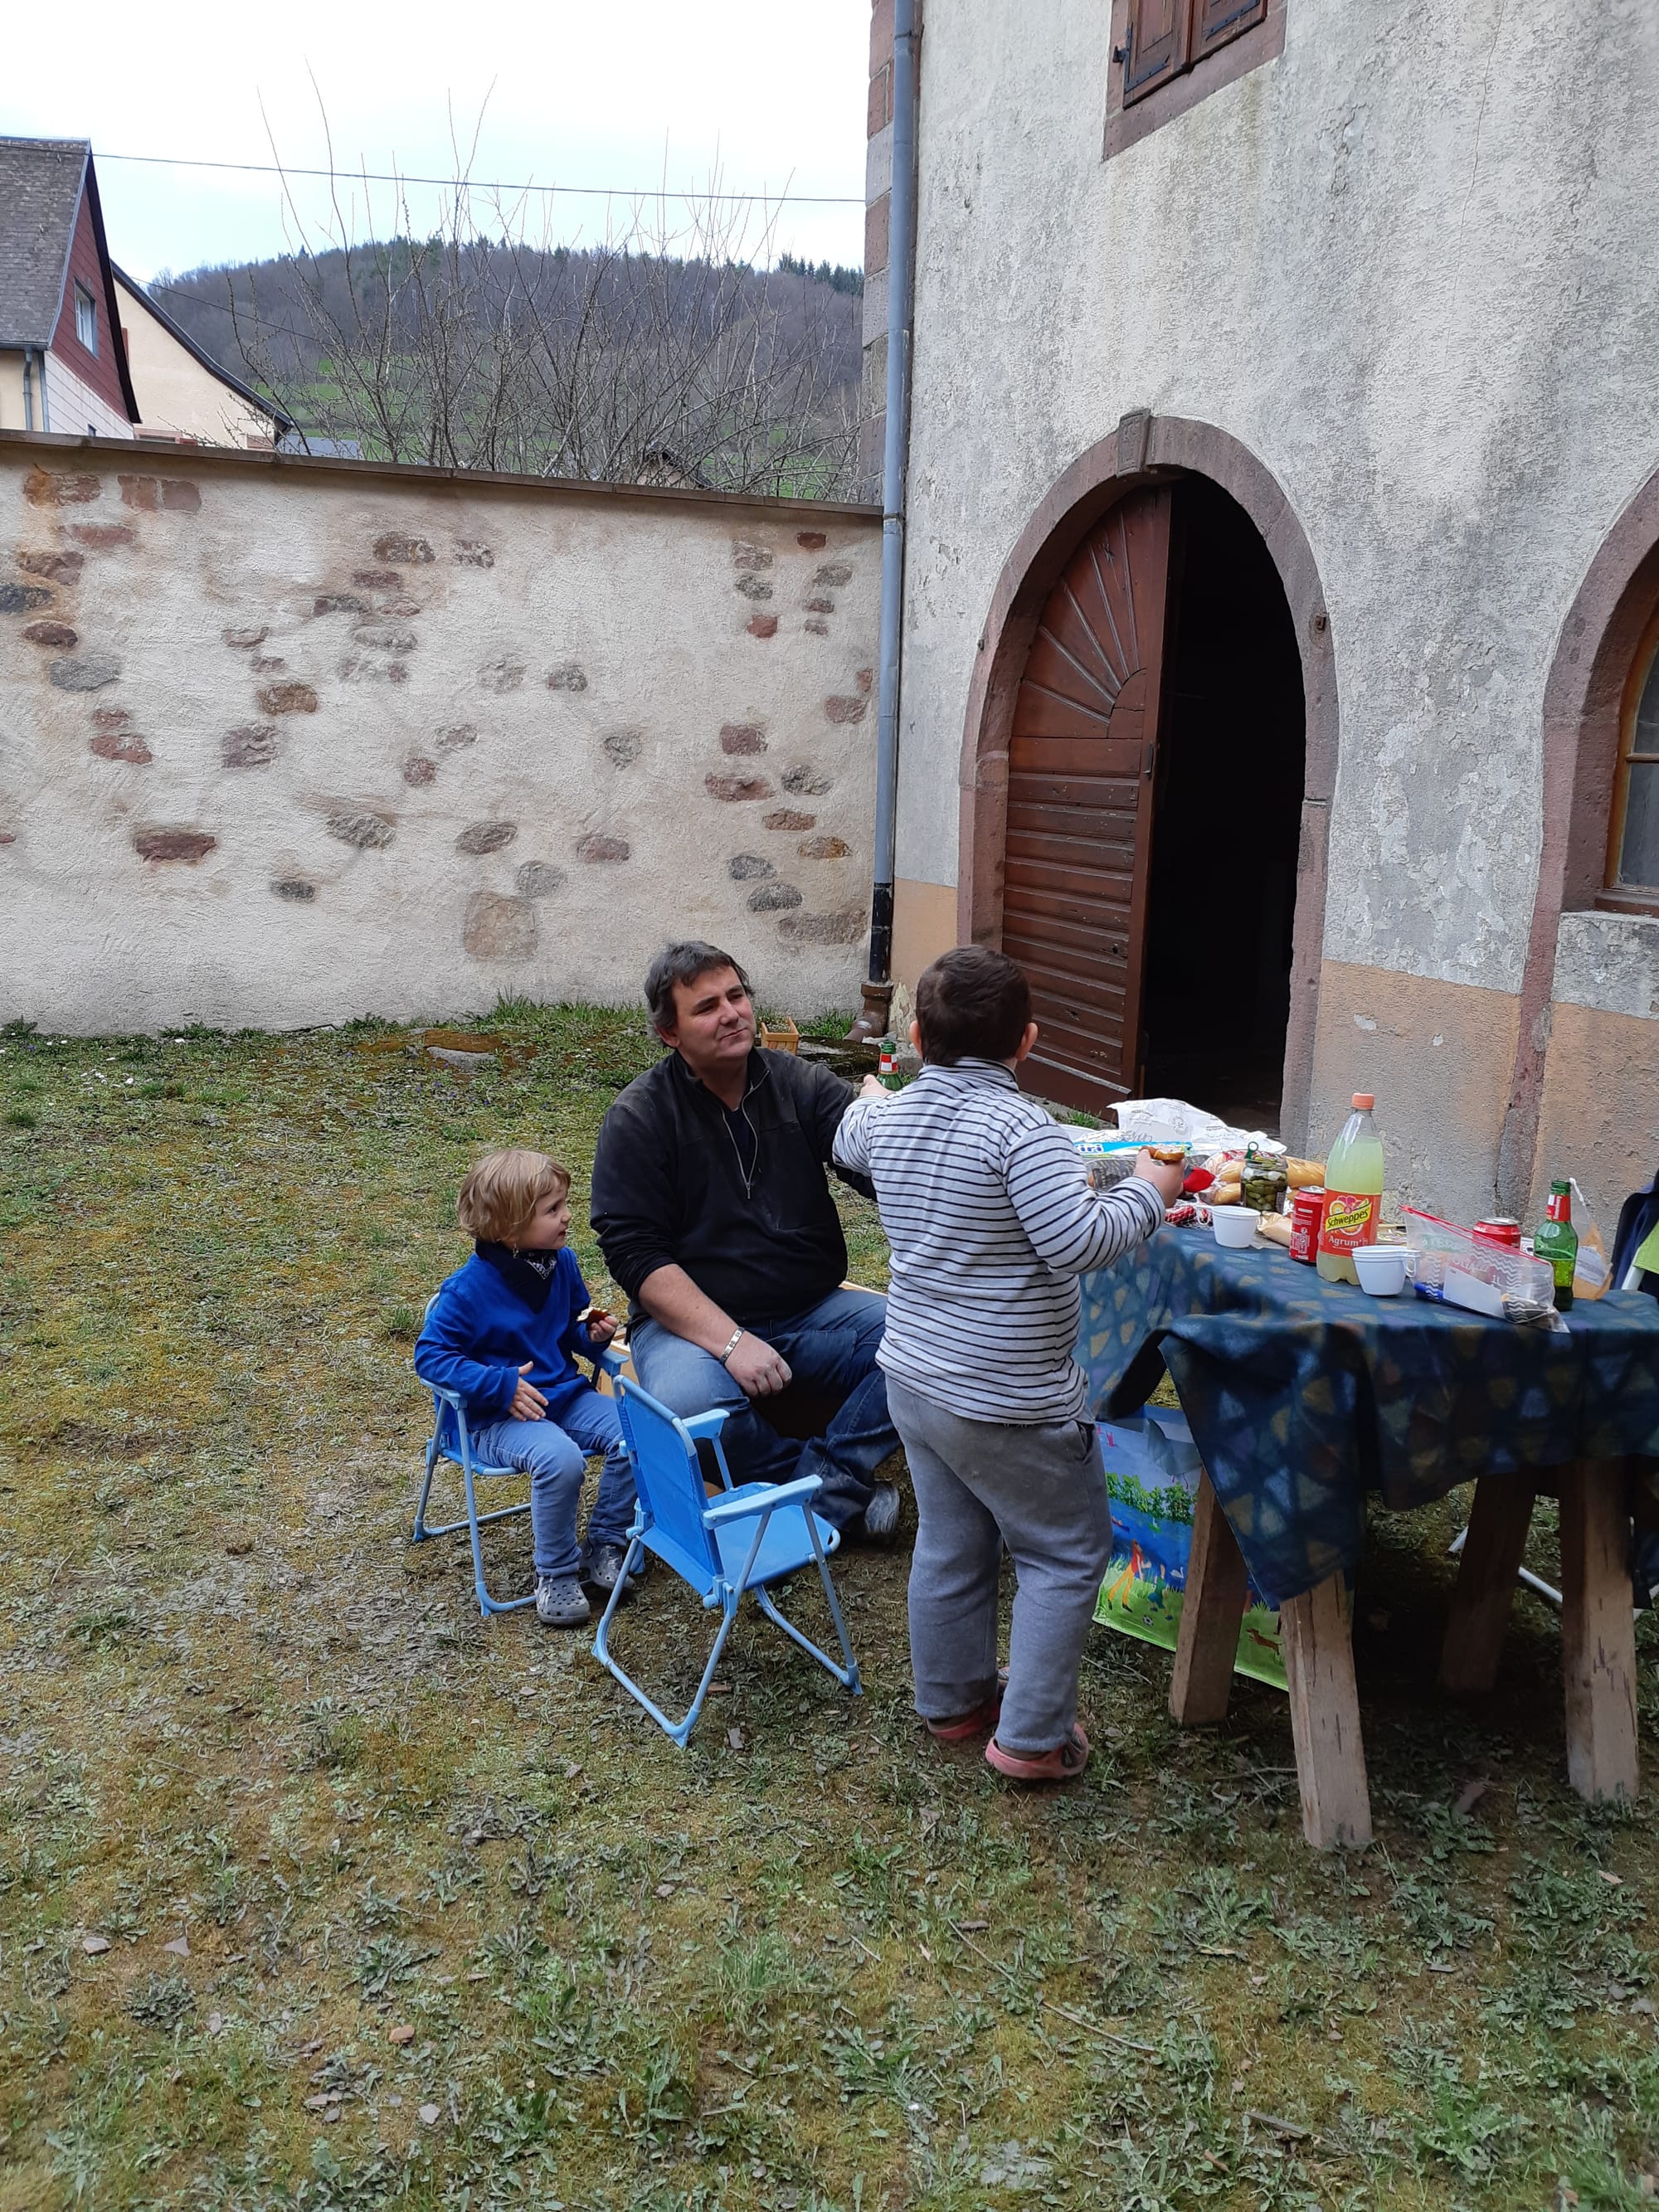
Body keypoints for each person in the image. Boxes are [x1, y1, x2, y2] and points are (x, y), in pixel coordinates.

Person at [831, 946, 1186, 1782]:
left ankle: (951, 1702)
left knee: (952, 1542)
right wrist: (1148, 1189)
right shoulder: (1023, 1128)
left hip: (914, 1378)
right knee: (1062, 1552)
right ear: (1024, 1041)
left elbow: (851, 1129)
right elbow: (1078, 1240)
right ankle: (1030, 1739)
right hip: (1005, 1395)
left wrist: (878, 1090)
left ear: (916, 1034)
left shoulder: (887, 1118)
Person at [590, 941, 902, 1540]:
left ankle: (828, 1483)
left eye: (737, 995)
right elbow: (636, 1255)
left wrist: (889, 1126)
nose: (732, 1013)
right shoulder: (639, 1118)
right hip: (690, 1329)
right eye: (706, 1006)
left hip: (814, 1309)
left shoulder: (798, 1083)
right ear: (669, 1032)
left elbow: (874, 1167)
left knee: (930, 1341)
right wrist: (731, 1341)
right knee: (687, 1410)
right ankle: (820, 1492)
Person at [415, 1148, 640, 1630]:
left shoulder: (561, 1264)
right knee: (560, 1459)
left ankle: (606, 1541)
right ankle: (555, 1575)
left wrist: (589, 1333)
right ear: (509, 1227)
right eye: (552, 1210)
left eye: (564, 1204)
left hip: (562, 1396)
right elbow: (430, 1357)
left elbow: (568, 1328)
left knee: (640, 1431)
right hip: (495, 1417)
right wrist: (497, 1384)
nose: (567, 1217)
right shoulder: (468, 1290)